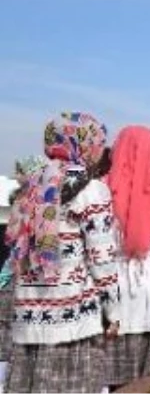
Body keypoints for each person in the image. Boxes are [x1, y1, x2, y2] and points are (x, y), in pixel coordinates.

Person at [7, 112, 121, 394]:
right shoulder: (92, 191)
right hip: (72, 320)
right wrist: (113, 310)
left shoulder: (31, 187)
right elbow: (102, 259)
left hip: (30, 317)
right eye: (97, 143)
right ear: (82, 145)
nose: (100, 150)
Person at [103, 125, 150, 391]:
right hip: (139, 290)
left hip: (123, 289)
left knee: (123, 378)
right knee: (137, 380)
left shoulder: (102, 190)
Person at [0, 155, 48, 386]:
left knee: (9, 336)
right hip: (20, 280)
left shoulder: (28, 204)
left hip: (18, 280)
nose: (17, 176)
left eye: (21, 172)